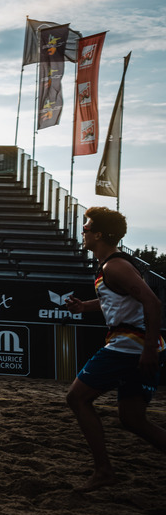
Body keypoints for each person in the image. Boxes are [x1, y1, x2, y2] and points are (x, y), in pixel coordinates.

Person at [64, 207, 166, 492]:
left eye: (86, 227)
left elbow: (153, 303)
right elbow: (119, 299)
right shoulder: (112, 266)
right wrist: (84, 307)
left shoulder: (115, 266)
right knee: (133, 419)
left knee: (77, 398)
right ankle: (104, 471)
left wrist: (148, 349)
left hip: (129, 346)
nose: (82, 231)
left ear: (98, 235)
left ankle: (104, 471)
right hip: (138, 346)